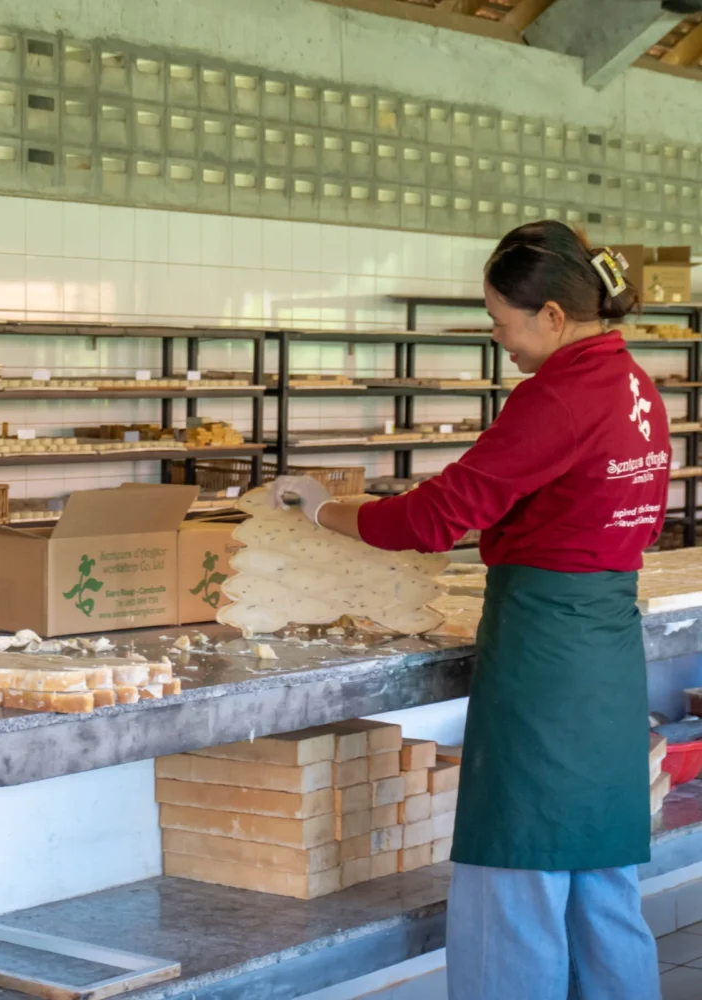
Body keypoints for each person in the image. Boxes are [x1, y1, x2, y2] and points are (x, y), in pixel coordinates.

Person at [270, 221, 668, 1000]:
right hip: (606, 644)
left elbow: (436, 517)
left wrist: (325, 512)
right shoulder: (634, 386)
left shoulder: (559, 395)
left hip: (546, 654)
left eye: (501, 322)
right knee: (600, 877)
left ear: (552, 316)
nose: (500, 339)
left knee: (514, 873)